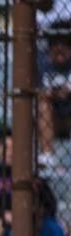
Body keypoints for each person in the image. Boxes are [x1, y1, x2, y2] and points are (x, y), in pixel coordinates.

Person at [37, 34, 71, 163]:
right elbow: (36, 91)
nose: (59, 55)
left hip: (69, 113)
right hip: (51, 116)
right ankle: (47, 155)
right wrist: (48, 94)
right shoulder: (41, 65)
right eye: (55, 51)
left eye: (63, 51)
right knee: (44, 105)